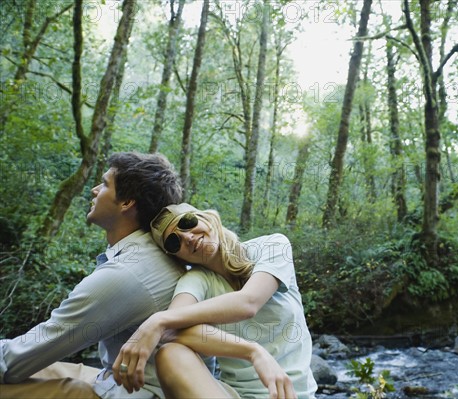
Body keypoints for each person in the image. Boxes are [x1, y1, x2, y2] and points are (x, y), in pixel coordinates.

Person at [0, 152, 184, 399]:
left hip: (133, 392)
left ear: (126, 202)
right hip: (119, 379)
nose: (95, 191)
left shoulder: (126, 273)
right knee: (51, 369)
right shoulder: (151, 254)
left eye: (105, 184)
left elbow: (23, 357)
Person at [114, 203, 317, 399]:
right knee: (170, 353)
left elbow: (248, 303)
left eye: (187, 223)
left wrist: (158, 320)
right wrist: (252, 351)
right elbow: (171, 331)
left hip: (293, 395)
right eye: (174, 242)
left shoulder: (272, 246)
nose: (188, 237)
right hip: (234, 394)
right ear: (177, 257)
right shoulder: (196, 280)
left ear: (208, 218)